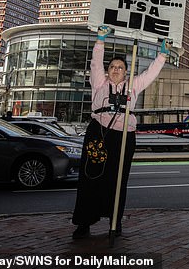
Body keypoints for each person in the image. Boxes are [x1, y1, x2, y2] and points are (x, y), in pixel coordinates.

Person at [72, 26, 170, 239]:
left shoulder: (133, 85)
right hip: (98, 132)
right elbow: (96, 63)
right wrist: (100, 40)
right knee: (91, 175)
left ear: (127, 72)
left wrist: (162, 54)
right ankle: (84, 222)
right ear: (108, 71)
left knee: (118, 179)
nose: (116, 70)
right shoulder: (99, 82)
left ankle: (114, 222)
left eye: (121, 67)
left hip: (124, 135)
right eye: (113, 67)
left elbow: (151, 73)